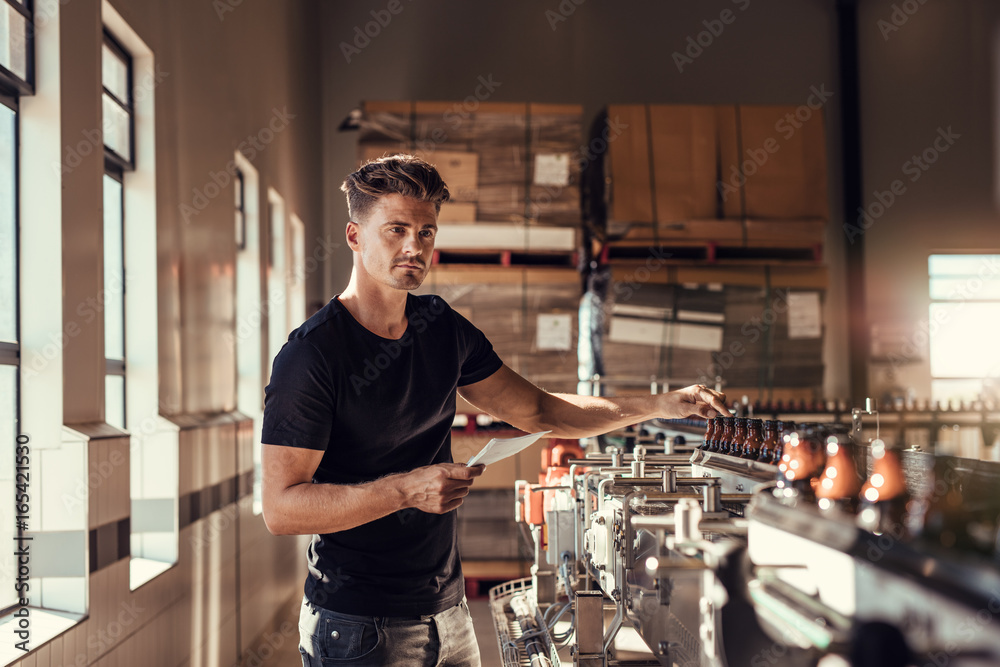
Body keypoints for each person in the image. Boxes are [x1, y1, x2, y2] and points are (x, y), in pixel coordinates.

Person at [260, 154, 728, 667]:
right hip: (357, 627)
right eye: (395, 230)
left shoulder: (439, 327)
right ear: (354, 236)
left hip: (450, 614)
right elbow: (282, 508)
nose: (414, 246)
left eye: (426, 232)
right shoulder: (312, 355)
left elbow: (541, 410)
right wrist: (406, 489)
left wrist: (662, 404)